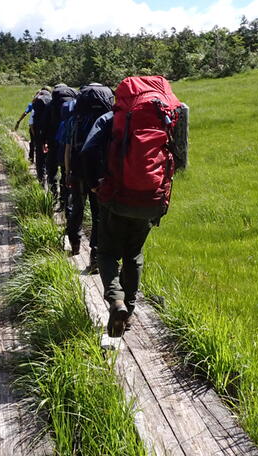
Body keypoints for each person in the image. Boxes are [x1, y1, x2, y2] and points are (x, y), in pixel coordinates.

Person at [80, 76, 185, 338]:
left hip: (116, 197)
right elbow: (180, 158)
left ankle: (115, 301)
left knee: (106, 253)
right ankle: (129, 309)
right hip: (151, 198)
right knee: (133, 254)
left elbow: (87, 153)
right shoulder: (167, 116)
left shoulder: (110, 119)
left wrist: (94, 184)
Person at [64, 83, 113, 271]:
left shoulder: (74, 120)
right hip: (98, 174)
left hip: (77, 171)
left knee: (77, 207)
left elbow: (68, 149)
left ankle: (75, 245)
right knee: (98, 214)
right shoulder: (107, 120)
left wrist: (68, 172)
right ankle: (95, 257)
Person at [44, 84, 77, 205]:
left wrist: (44, 141)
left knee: (52, 170)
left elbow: (44, 124)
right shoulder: (73, 105)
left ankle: (53, 198)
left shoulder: (50, 105)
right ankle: (65, 201)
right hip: (67, 142)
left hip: (53, 142)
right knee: (65, 171)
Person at [14, 94, 37, 163]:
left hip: (33, 126)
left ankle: (31, 159)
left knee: (33, 142)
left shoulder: (32, 105)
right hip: (42, 127)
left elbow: (25, 113)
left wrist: (18, 122)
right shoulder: (48, 103)